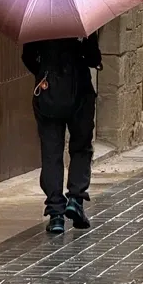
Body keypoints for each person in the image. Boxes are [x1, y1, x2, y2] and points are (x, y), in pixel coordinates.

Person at [22, 34, 102, 234]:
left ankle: (56, 213)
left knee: (51, 152)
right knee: (81, 146)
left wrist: (44, 72)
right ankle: (75, 198)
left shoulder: (40, 23)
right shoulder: (82, 21)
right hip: (80, 92)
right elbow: (93, 58)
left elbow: (28, 56)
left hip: (49, 93)